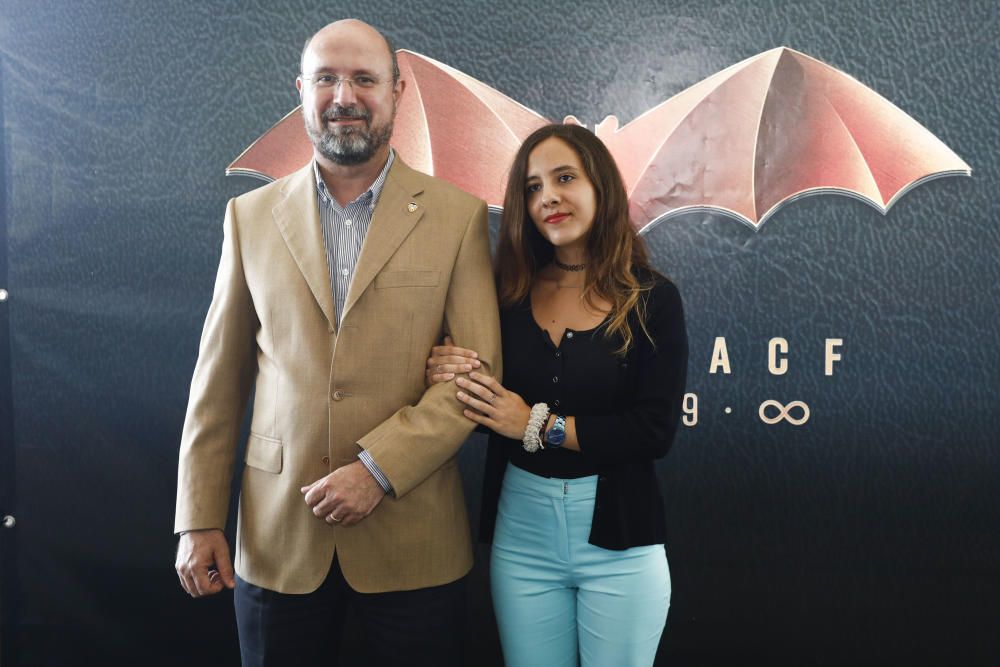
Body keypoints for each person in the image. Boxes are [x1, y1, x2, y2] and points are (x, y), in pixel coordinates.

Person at [173, 19, 500, 666]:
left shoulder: (457, 216)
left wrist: (379, 468)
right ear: (301, 90)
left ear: (397, 92)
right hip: (276, 540)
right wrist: (198, 514)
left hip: (415, 541)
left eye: (363, 79)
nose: (343, 95)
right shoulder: (250, 217)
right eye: (325, 78)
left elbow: (476, 378)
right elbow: (219, 379)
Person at [426, 123, 688, 666]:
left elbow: (653, 431)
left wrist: (536, 423)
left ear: (601, 187)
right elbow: (485, 409)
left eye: (564, 177)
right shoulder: (504, 296)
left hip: (620, 542)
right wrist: (450, 373)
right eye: (531, 186)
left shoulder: (653, 299)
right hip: (520, 536)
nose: (548, 197)